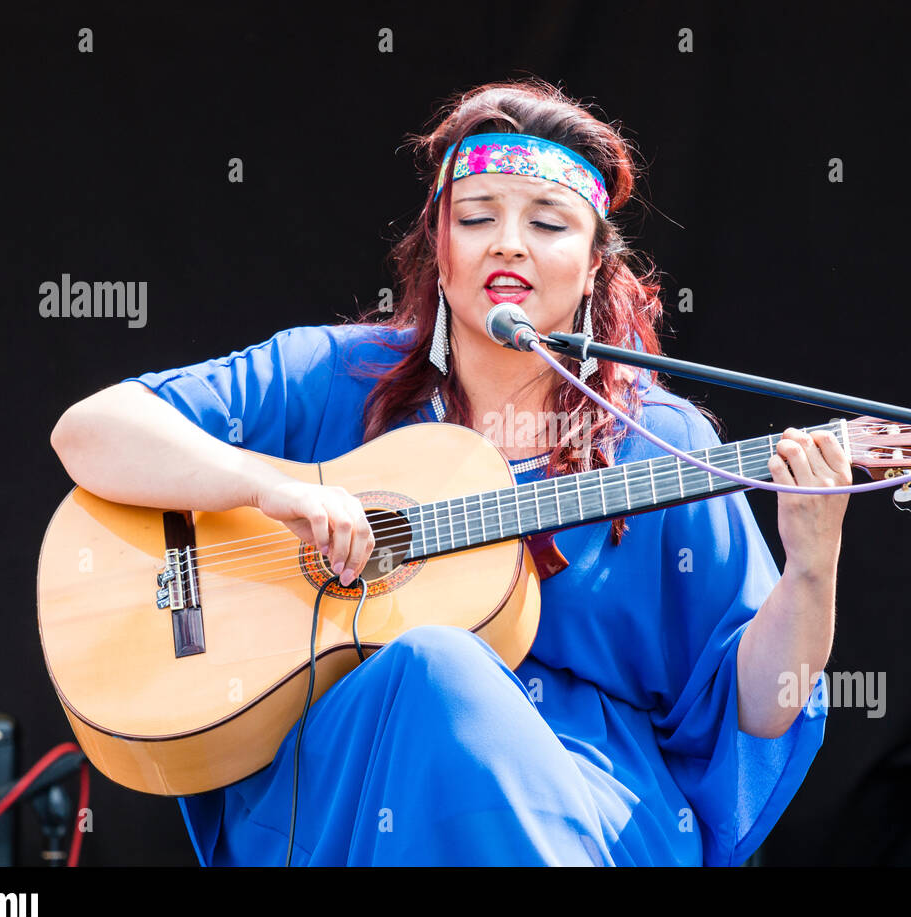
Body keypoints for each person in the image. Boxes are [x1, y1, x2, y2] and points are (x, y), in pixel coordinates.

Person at [50, 78, 849, 866]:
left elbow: (758, 706)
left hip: (582, 807)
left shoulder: (661, 438)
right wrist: (272, 490)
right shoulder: (338, 376)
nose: (508, 243)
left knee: (441, 666)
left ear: (596, 263)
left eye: (548, 224)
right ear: (439, 242)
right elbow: (91, 431)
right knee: (432, 666)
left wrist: (812, 568)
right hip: (352, 785)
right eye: (476, 218)